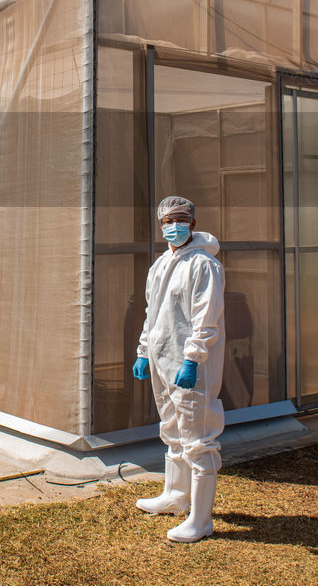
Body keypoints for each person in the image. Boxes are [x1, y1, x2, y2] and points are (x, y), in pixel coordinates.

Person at [131, 195, 225, 543]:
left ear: (193, 222)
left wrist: (192, 359)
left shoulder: (203, 265)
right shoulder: (159, 266)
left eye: (180, 219)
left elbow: (206, 319)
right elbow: (151, 314)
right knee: (172, 429)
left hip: (190, 366)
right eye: (167, 221)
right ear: (160, 226)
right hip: (161, 361)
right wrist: (144, 352)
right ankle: (175, 495)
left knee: (199, 439)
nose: (173, 226)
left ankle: (200, 520)